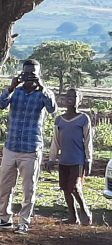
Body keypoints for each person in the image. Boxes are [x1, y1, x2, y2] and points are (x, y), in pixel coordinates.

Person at [0, 59, 57, 233]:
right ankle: (4, 219)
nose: (29, 77)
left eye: (32, 74)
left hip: (31, 149)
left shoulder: (43, 94)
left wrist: (42, 87)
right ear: (21, 73)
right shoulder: (16, 92)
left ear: (39, 74)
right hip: (11, 147)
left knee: (29, 189)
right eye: (26, 73)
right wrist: (11, 87)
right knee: (4, 186)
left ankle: (24, 222)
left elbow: (52, 109)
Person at [46, 88, 93, 226]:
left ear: (80, 100)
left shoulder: (84, 119)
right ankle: (73, 216)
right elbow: (56, 141)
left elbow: (88, 140)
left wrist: (88, 159)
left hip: (77, 160)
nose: (71, 98)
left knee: (74, 187)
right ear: (64, 99)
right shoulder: (59, 120)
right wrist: (51, 159)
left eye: (75, 96)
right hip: (64, 160)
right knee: (65, 188)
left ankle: (85, 212)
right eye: (68, 96)